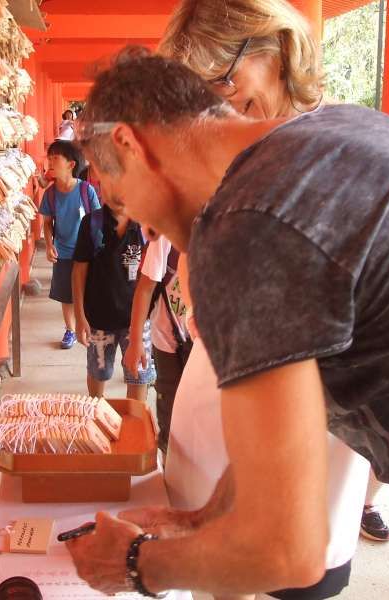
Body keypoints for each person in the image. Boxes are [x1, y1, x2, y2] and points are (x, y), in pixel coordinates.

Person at [66, 52, 389, 599]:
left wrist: (132, 562)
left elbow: (284, 553)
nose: (133, 218)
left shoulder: (245, 224)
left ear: (132, 146)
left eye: (119, 197)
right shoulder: (331, 131)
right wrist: (205, 518)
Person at [158, 2, 374, 595]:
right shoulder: (234, 154)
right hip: (218, 410)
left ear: (277, 52)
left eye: (223, 79)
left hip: (305, 430)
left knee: (290, 566)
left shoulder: (332, 153)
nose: (214, 104)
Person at [71, 194, 155, 402]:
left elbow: (153, 277)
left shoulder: (146, 226)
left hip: (136, 321)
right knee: (99, 371)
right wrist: (79, 316)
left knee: (138, 376)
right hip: (99, 320)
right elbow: (78, 272)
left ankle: (134, 424)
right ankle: (97, 413)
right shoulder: (91, 224)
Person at [123, 236, 191, 457]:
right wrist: (135, 343)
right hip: (166, 337)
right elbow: (145, 288)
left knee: (202, 414)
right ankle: (169, 465)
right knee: (169, 407)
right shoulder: (165, 236)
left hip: (205, 344)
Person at [38, 140, 100, 349]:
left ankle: (89, 324)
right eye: (50, 158)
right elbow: (47, 223)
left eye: (56, 158)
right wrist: (48, 245)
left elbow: (97, 220)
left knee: (89, 290)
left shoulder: (86, 190)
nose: (50, 162)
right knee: (67, 294)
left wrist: (99, 247)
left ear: (71, 164)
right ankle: (70, 330)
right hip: (63, 252)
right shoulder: (51, 194)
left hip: (86, 252)